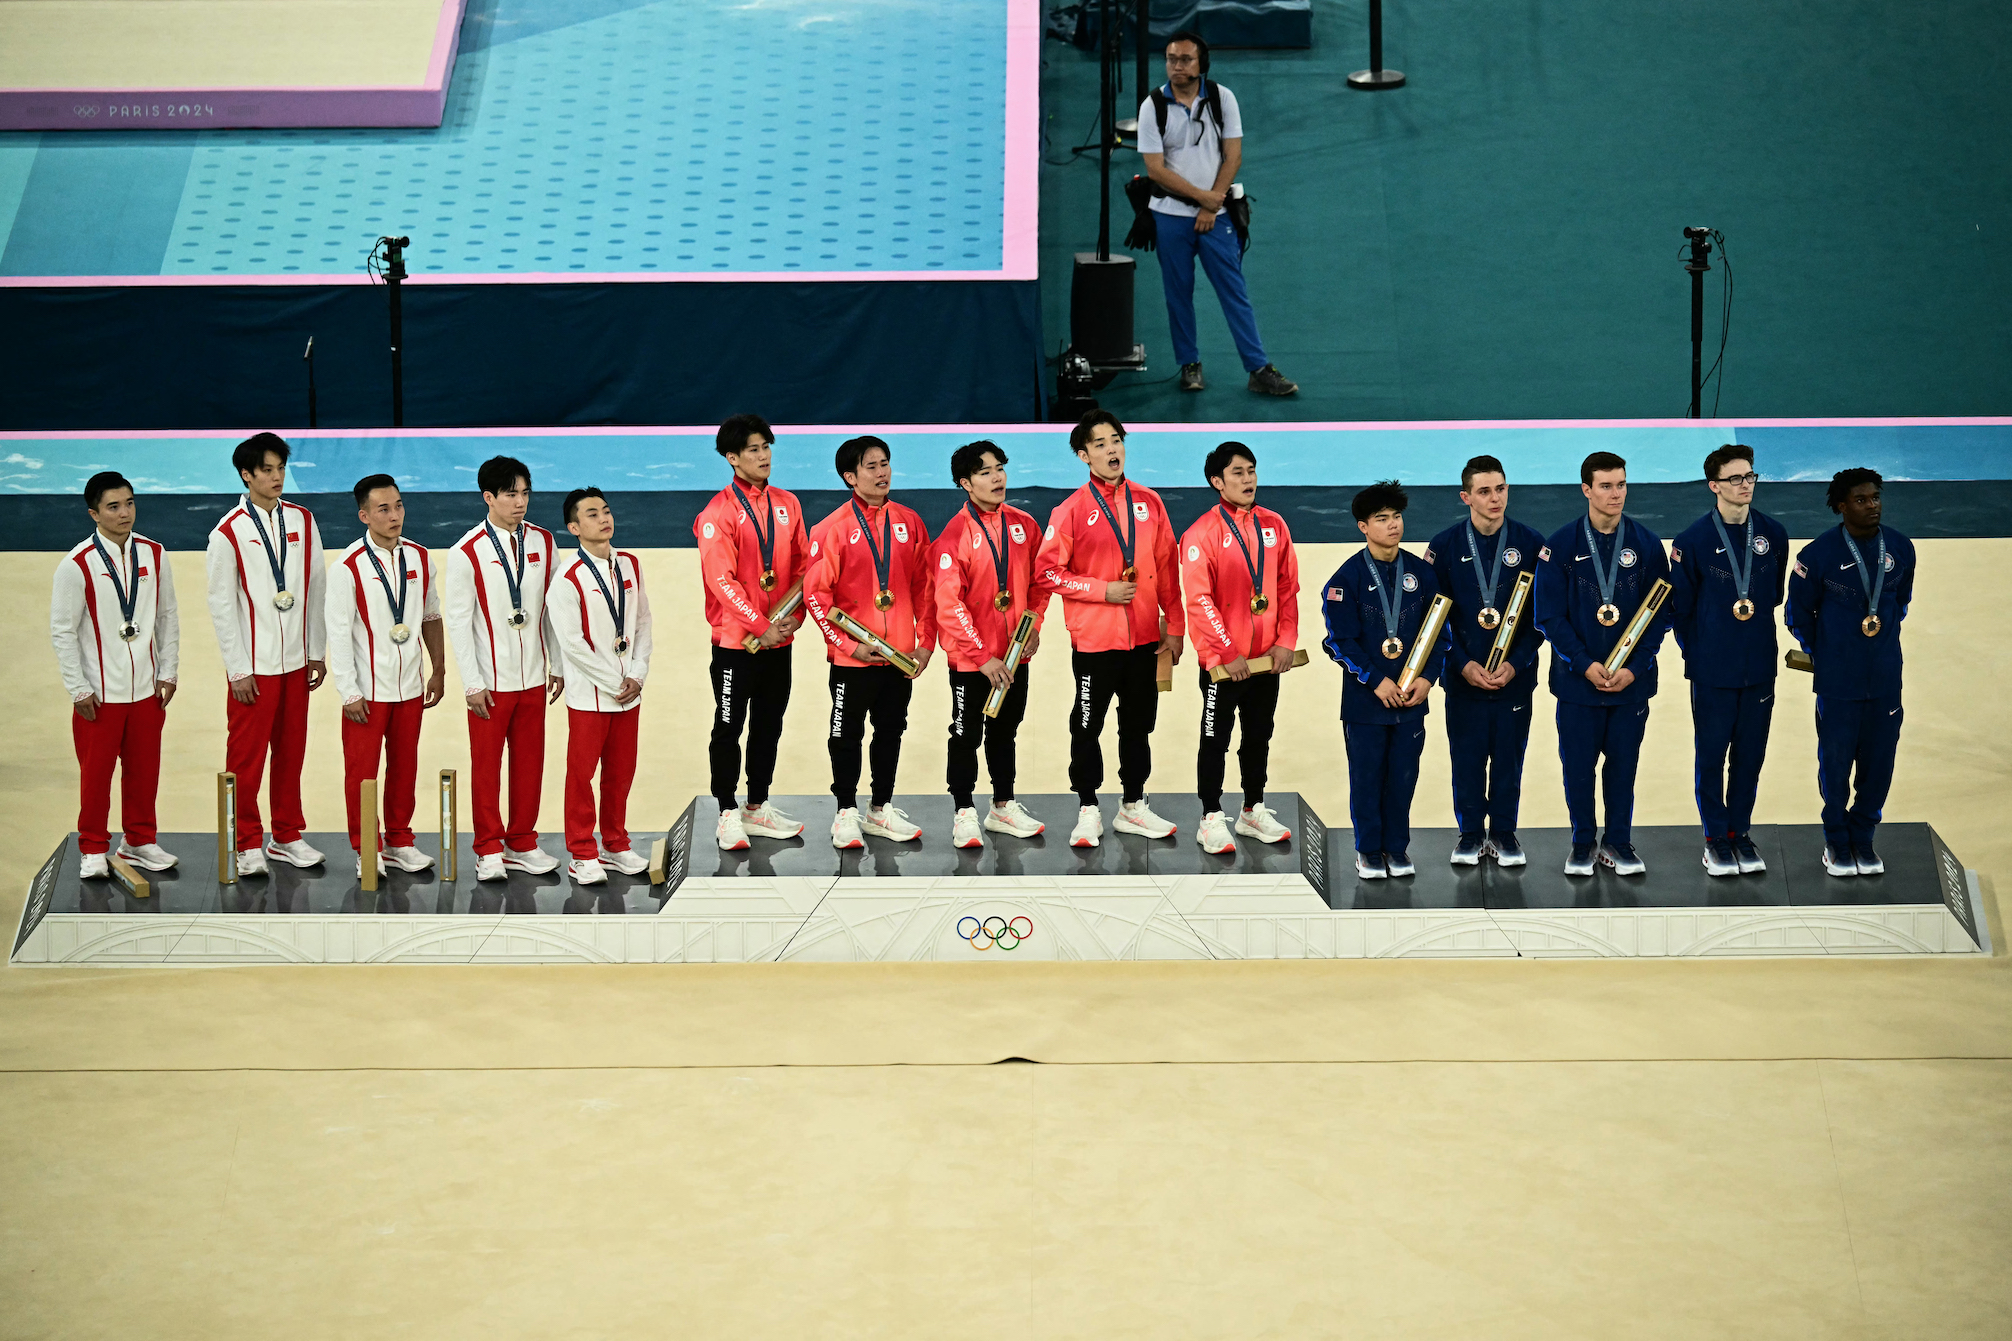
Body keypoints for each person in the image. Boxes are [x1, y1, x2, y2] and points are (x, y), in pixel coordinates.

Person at [1034, 411, 1186, 847]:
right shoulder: (1070, 511)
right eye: (1099, 444)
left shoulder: (1150, 502)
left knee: (1138, 726)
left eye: (1116, 440)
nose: (1112, 449)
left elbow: (1165, 569)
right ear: (1083, 455)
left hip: (1143, 640)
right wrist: (1102, 590)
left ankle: (1133, 806)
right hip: (1095, 643)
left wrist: (1173, 626)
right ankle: (1087, 809)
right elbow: (1048, 574)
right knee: (1086, 725)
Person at [1136, 30, 1297, 398]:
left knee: (1233, 291)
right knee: (1178, 293)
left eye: (1185, 59)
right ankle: (1189, 364)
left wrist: (1213, 202)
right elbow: (1156, 170)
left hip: (1217, 215)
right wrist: (1204, 201)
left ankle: (1258, 368)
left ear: (1201, 64)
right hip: (1171, 217)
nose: (1176, 65)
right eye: (1171, 59)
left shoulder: (1223, 100)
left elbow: (1233, 156)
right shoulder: (1152, 107)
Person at [1534, 451, 1671, 877]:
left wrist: (1637, 665)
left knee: (1623, 767)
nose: (1616, 494)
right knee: (1577, 767)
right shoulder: (1559, 546)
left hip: (1631, 682)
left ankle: (1618, 842)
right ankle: (1581, 843)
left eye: (1622, 484)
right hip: (1578, 683)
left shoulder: (1647, 544)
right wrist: (1583, 663)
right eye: (1607, 486)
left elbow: (1661, 611)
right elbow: (1548, 616)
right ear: (1586, 490)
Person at [802, 436, 936, 849]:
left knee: (890, 732)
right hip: (853, 660)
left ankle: (880, 808)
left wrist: (925, 642)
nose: (883, 473)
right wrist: (847, 646)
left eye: (885, 464)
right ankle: (845, 811)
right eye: (872, 466)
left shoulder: (910, 522)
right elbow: (816, 596)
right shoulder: (831, 529)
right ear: (850, 476)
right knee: (845, 734)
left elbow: (925, 586)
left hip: (898, 658)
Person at [204, 432, 327, 877]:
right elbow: (221, 606)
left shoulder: (302, 520)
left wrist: (315, 651)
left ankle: (287, 835)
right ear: (246, 475)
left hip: (295, 663)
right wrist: (237, 669)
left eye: (281, 469)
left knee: (291, 753)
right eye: (267, 470)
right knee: (245, 759)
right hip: (253, 668)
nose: (277, 478)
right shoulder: (228, 533)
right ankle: (244, 841)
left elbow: (315, 588)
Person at [1785, 469, 1915, 877]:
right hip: (1838, 683)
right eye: (1861, 499)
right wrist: (1823, 653)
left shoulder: (1900, 547)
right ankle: (1837, 841)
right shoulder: (1816, 555)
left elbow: (1901, 601)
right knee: (1837, 765)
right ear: (1841, 506)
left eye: (1876, 497)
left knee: (1879, 765)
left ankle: (1864, 838)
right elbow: (1797, 615)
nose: (1872, 505)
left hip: (1884, 679)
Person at [1668, 444, 1790, 877]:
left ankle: (1740, 832)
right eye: (1735, 478)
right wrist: (1701, 654)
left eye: (1750, 477)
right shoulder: (1691, 541)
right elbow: (1679, 611)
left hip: (1759, 666)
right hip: (1712, 671)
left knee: (1750, 756)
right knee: (1712, 755)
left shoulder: (1773, 534)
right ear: (1714, 485)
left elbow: (1772, 596)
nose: (1745, 485)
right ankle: (1715, 837)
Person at [51, 471, 180, 879]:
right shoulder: (76, 566)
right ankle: (92, 846)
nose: (124, 513)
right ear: (94, 514)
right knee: (97, 774)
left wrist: (169, 672)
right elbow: (63, 631)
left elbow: (167, 617)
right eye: (113, 506)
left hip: (145, 689)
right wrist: (78, 688)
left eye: (129, 503)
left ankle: (140, 841)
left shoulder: (155, 554)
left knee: (144, 771)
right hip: (100, 694)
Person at [443, 456, 565, 881]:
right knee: (487, 766)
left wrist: (558, 663)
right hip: (490, 683)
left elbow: (553, 610)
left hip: (533, 676)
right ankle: (488, 848)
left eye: (525, 493)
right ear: (488, 498)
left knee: (530, 764)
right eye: (511, 494)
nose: (520, 502)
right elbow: (458, 622)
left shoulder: (545, 543)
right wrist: (471, 683)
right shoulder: (466, 552)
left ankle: (522, 843)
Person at [695, 414, 812, 851]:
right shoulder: (717, 514)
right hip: (735, 644)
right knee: (728, 726)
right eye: (753, 450)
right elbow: (722, 582)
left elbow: (804, 569)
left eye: (767, 447)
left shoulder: (788, 504)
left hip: (778, 640)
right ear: (731, 458)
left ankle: (757, 805)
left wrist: (793, 620)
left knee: (769, 725)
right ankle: (727, 810)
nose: (763, 457)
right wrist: (760, 626)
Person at [1179, 441, 1300, 854]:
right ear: (1217, 482)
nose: (1248, 479)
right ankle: (1210, 815)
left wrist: (1286, 640)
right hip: (1222, 664)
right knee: (1215, 738)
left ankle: (1252, 808)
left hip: (1267, 659)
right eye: (1237, 473)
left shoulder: (1274, 524)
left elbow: (1287, 587)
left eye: (1251, 470)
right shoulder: (1201, 534)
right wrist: (1227, 652)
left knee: (1258, 736)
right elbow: (1199, 601)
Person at [1425, 455, 1546, 868]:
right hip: (1463, 679)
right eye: (1484, 491)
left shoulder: (1532, 544)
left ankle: (1505, 834)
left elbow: (1541, 617)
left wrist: (1519, 662)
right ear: (1466, 497)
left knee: (1510, 758)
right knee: (1468, 759)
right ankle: (1471, 833)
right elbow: (1434, 619)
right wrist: (1460, 664)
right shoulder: (1443, 548)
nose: (1495, 498)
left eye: (1501, 488)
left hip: (1515, 677)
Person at [1321, 481, 1446, 879]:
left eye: (1396, 517)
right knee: (1368, 777)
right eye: (1381, 519)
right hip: (1366, 703)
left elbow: (1440, 633)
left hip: (1412, 699)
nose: (1393, 526)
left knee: (1404, 777)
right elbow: (1339, 642)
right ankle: (1368, 851)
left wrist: (1427, 679)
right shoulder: (1346, 580)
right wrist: (1375, 681)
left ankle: (1397, 848)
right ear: (1363, 526)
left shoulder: (1423, 575)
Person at [324, 475, 446, 878]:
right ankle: (367, 848)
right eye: (383, 509)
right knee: (362, 774)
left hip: (410, 685)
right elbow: (338, 634)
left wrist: (439, 668)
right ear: (364, 515)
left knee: (404, 767)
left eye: (398, 506)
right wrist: (348, 692)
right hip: (367, 691)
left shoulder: (420, 557)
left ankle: (399, 841)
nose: (394, 516)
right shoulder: (347, 567)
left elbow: (430, 615)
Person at [930, 440, 1050, 847]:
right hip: (972, 663)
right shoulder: (955, 536)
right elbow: (949, 605)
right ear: (965, 483)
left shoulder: (1024, 525)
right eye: (985, 472)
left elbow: (1039, 583)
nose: (997, 477)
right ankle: (963, 810)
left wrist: (1033, 625)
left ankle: (1002, 805)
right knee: (966, 733)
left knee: (1006, 731)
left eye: (1000, 468)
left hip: (1015, 657)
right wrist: (982, 657)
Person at [550, 489, 654, 885]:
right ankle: (581, 852)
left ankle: (615, 844)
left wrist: (638, 674)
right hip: (591, 696)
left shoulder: (630, 564)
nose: (604, 519)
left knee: (620, 772)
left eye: (606, 511)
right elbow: (572, 645)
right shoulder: (567, 579)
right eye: (592, 514)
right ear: (574, 528)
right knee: (581, 775)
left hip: (629, 693)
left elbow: (642, 621)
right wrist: (616, 681)